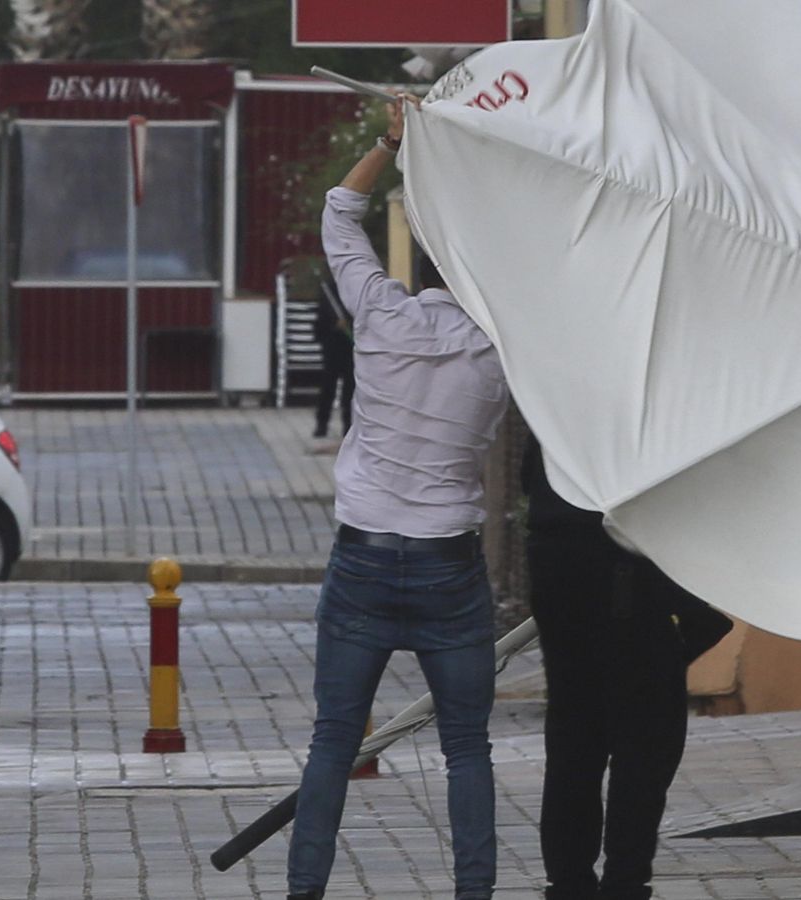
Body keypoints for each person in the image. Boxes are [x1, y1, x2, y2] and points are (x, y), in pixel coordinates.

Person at [286, 95, 509, 900]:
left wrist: (391, 141)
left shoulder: (379, 315)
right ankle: (473, 892)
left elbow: (339, 215)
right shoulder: (500, 345)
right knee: (468, 749)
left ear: (423, 267)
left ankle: (304, 890)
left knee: (332, 741)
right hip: (451, 568)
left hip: (365, 560)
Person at [522, 436, 732, 900]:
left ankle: (571, 882)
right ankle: (623, 881)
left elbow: (529, 475)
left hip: (559, 570)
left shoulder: (554, 395)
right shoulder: (632, 401)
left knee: (575, 739)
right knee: (644, 745)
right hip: (625, 574)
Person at [311, 281, 354, 439]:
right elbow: (320, 323)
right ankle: (322, 424)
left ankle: (348, 425)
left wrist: (348, 322)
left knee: (350, 389)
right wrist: (334, 325)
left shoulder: (354, 290)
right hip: (332, 346)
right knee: (328, 387)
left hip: (350, 348)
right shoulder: (328, 291)